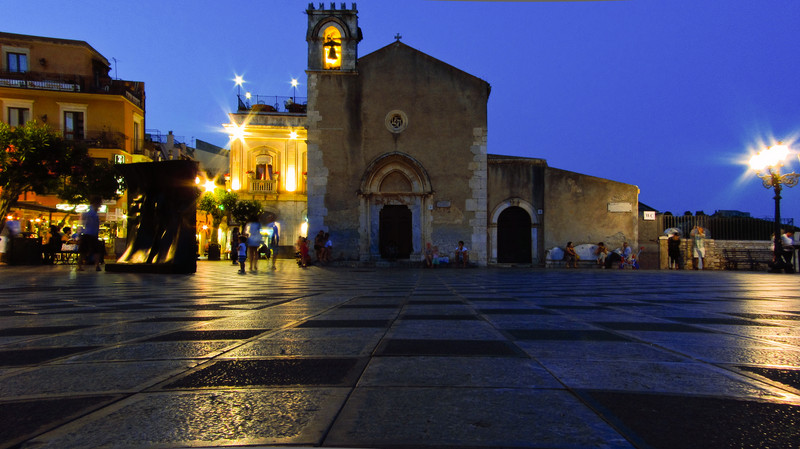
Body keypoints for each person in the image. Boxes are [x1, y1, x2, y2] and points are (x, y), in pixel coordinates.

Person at [78, 197, 102, 271]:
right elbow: (82, 223)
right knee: (90, 250)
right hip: (88, 233)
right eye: (99, 203)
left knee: (86, 250)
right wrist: (80, 232)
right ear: (96, 203)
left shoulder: (92, 212)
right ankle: (96, 265)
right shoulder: (90, 212)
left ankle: (81, 265)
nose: (100, 205)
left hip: (89, 234)